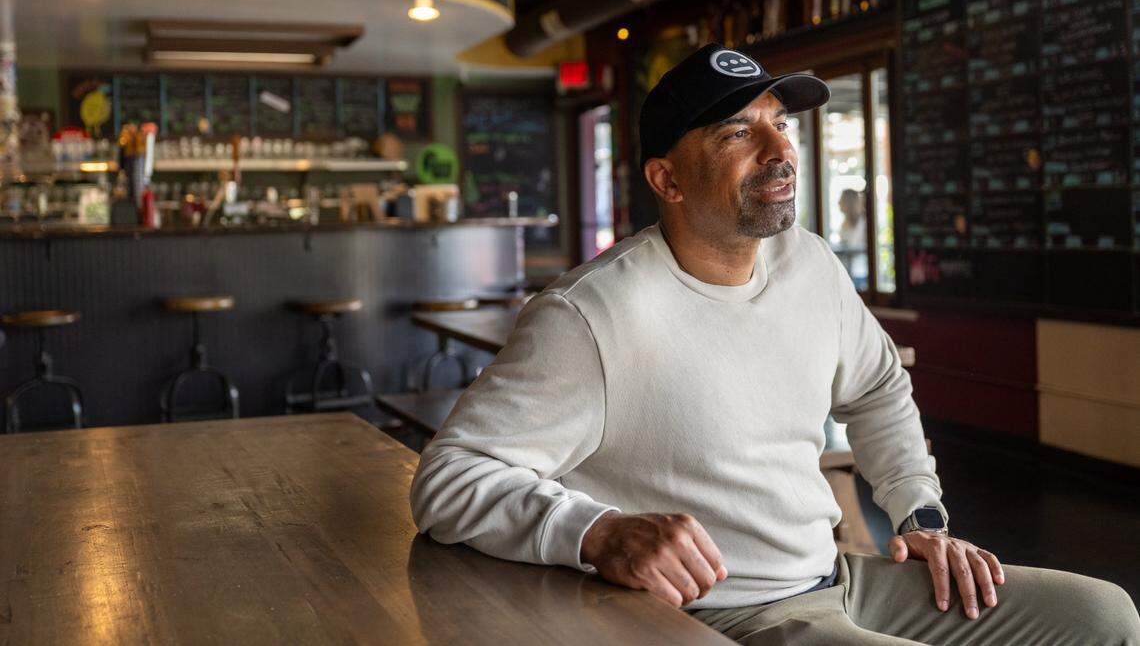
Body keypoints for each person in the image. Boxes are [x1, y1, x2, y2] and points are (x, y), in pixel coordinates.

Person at [411, 44, 1140, 644]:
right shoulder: (589, 315)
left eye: (780, 123)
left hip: (840, 576)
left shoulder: (809, 263)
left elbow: (878, 387)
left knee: (1105, 617)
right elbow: (448, 476)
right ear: (667, 178)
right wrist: (596, 532)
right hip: (730, 616)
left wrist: (920, 514)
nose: (779, 149)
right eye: (737, 133)